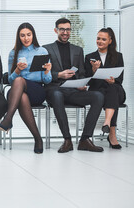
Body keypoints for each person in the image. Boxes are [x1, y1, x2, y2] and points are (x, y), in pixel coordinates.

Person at [43, 18, 104, 153]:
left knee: (98, 96)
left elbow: (81, 73)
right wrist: (59, 75)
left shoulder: (78, 50)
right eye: (62, 29)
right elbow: (43, 73)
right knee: (57, 95)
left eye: (68, 29)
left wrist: (82, 84)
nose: (65, 32)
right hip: (54, 89)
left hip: (73, 91)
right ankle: (67, 140)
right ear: (56, 30)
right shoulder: (46, 49)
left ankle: (85, 139)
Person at [0, 23, 52, 154]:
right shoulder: (13, 53)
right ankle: (38, 139)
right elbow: (10, 80)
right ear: (18, 37)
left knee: (19, 80)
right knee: (21, 92)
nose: (26, 38)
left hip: (36, 90)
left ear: (33, 35)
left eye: (28, 35)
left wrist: (47, 71)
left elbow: (47, 80)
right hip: (17, 92)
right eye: (22, 35)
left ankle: (8, 118)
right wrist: (17, 69)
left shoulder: (42, 51)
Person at [85, 27, 125, 149]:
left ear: (110, 41)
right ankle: (112, 133)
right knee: (109, 93)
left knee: (112, 88)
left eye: (103, 39)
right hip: (98, 92)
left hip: (116, 90)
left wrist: (113, 80)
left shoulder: (118, 56)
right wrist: (94, 70)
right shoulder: (89, 57)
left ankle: (107, 122)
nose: (100, 41)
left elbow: (120, 79)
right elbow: (87, 81)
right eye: (98, 38)